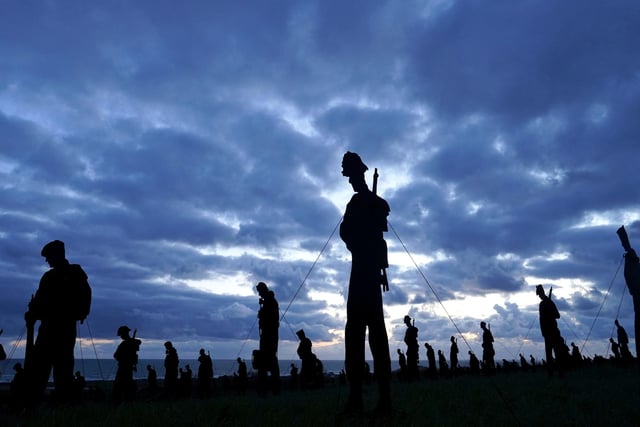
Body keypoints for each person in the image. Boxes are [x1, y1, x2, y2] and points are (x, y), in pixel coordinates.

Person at [339, 152, 392, 414]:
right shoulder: (353, 204)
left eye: (352, 176)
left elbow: (381, 236)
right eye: (349, 177)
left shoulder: (375, 203)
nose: (350, 181)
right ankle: (356, 398)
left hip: (369, 274)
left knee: (377, 336)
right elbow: (345, 233)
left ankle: (384, 400)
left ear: (359, 174)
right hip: (358, 271)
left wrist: (381, 268)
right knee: (354, 335)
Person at [24, 240, 92, 404]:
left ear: (57, 255)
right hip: (50, 329)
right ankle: (36, 407)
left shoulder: (74, 274)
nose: (47, 261)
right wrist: (33, 311)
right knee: (42, 370)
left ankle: (60, 408)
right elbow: (39, 301)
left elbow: (84, 298)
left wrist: (37, 311)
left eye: (48, 257)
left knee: (60, 371)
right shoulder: (49, 277)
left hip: (61, 330)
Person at [256, 281, 280, 395]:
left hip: (269, 336)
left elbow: (269, 319)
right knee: (267, 361)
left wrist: (262, 314)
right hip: (268, 334)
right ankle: (267, 389)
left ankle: (271, 389)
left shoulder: (270, 302)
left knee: (270, 360)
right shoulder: (268, 301)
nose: (259, 294)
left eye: (260, 292)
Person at [536, 285, 566, 376]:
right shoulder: (542, 304)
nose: (539, 296)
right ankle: (550, 373)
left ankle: (561, 373)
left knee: (557, 353)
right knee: (549, 355)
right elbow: (541, 320)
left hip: (553, 331)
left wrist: (549, 315)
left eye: (540, 294)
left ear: (542, 293)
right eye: (538, 294)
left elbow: (557, 315)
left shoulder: (549, 303)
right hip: (547, 333)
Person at [112, 326, 141, 403]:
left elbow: (116, 355)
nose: (121, 337)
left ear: (124, 334)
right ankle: (128, 401)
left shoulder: (124, 344)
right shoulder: (131, 342)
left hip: (124, 367)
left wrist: (123, 359)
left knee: (119, 385)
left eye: (121, 335)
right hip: (128, 367)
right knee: (127, 384)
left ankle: (120, 402)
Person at [403, 315, 419, 381]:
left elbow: (406, 339)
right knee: (412, 362)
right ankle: (414, 377)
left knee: (411, 363)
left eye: (406, 322)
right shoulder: (412, 329)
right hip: (412, 347)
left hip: (412, 348)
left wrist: (409, 343)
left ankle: (413, 377)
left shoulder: (411, 329)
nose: (406, 324)